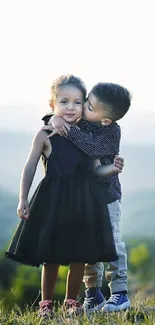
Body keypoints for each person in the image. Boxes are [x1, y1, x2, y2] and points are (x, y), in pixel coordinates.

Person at [5, 75, 122, 319]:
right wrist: (23, 198)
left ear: (84, 105)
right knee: (51, 256)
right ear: (52, 105)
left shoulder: (85, 136)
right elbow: (30, 167)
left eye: (77, 102)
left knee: (79, 255)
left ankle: (72, 302)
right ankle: (46, 304)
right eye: (64, 101)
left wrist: (112, 169)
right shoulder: (45, 134)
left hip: (83, 204)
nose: (70, 107)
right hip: (54, 203)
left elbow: (97, 168)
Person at [42, 81, 132, 313]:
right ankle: (94, 293)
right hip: (83, 197)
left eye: (88, 106)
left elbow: (91, 148)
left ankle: (119, 292)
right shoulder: (84, 120)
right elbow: (62, 113)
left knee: (111, 242)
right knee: (88, 246)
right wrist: (53, 118)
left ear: (105, 119)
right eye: (86, 102)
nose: (82, 109)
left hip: (106, 196)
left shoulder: (110, 131)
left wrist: (66, 127)